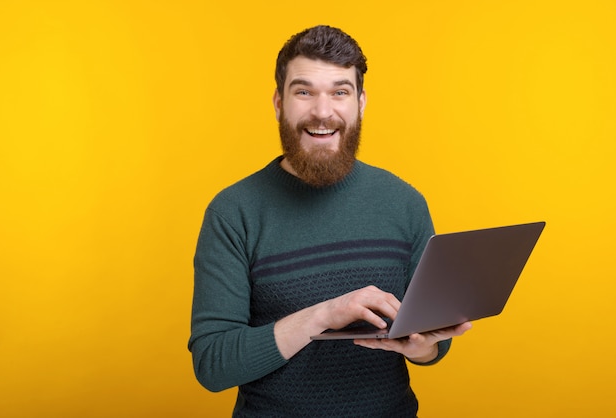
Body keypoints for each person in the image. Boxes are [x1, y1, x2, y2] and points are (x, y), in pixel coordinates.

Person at [188, 25, 472, 417]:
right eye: (304, 92)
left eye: (340, 91)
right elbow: (213, 364)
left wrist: (423, 347)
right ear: (278, 102)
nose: (323, 112)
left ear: (361, 102)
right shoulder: (233, 212)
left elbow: (433, 345)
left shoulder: (404, 202)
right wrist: (323, 316)